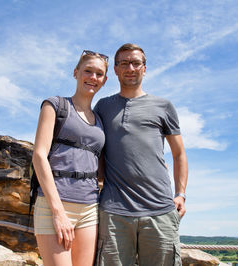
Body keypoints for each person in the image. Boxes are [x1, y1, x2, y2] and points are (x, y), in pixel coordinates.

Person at [94, 43, 188, 266]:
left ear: (144, 68)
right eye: (124, 63)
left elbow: (179, 154)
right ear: (115, 69)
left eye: (136, 63)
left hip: (160, 210)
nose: (130, 68)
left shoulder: (163, 106)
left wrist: (181, 194)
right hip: (114, 212)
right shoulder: (102, 107)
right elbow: (95, 151)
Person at [32, 50, 108, 266]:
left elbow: (100, 168)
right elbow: (39, 155)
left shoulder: (100, 120)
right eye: (88, 71)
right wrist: (58, 212)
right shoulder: (54, 105)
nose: (93, 77)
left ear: (104, 80)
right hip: (54, 204)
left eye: (99, 74)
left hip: (89, 208)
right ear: (76, 73)